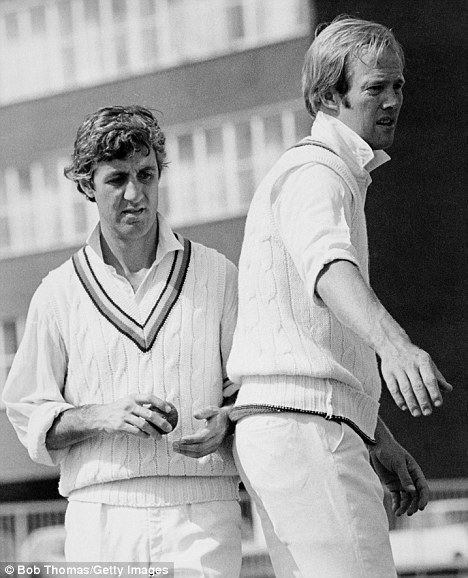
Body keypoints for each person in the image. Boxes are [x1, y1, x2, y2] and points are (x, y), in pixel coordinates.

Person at [227, 15, 452, 578]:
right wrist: (395, 346)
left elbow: (317, 332)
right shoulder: (316, 172)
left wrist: (378, 434)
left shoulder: (329, 174)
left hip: (301, 426)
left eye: (398, 85)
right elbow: (328, 266)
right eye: (376, 87)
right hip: (304, 431)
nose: (393, 100)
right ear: (329, 95)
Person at [2, 105, 242, 576]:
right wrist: (103, 415)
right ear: (88, 185)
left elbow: (253, 389)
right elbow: (27, 412)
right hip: (101, 514)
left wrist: (228, 422)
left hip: (203, 509)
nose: (135, 194)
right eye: (116, 179)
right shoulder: (58, 291)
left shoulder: (216, 273)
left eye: (146, 175)